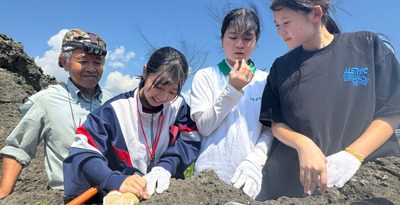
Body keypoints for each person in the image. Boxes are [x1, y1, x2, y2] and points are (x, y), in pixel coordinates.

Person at [259, 0, 400, 200]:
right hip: (295, 188)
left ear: (315, 14)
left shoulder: (366, 46)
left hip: (368, 179)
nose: (280, 31)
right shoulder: (280, 68)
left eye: (286, 22)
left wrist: (353, 155)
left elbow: (392, 111)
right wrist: (303, 144)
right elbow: (276, 122)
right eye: (277, 26)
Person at [63, 46, 201, 203]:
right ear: (145, 71)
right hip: (120, 195)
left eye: (172, 92)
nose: (163, 97)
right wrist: (114, 180)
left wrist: (166, 166)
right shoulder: (114, 111)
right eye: (159, 86)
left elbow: (190, 138)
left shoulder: (178, 107)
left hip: (161, 193)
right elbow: (83, 151)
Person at [0, 28, 112, 199]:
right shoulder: (45, 101)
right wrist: (3, 193)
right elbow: (18, 149)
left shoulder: (114, 102)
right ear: (64, 62)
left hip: (115, 194)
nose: (91, 68)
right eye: (83, 61)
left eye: (97, 62)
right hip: (70, 197)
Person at [190, 8, 273, 200]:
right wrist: (233, 89)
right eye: (233, 36)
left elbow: (269, 129)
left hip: (250, 182)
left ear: (256, 41)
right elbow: (204, 126)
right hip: (208, 178)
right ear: (222, 39)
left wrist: (255, 161)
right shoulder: (206, 76)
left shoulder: (265, 80)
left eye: (247, 38)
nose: (239, 44)